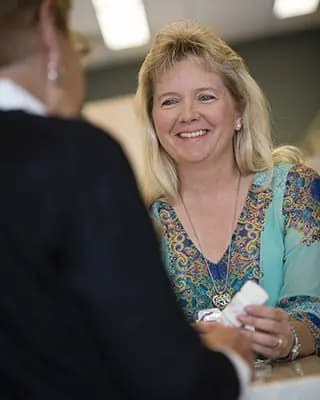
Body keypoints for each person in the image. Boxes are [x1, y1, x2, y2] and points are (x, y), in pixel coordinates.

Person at [0, 2, 254, 399]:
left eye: (204, 96)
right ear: (49, 26)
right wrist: (231, 361)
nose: (188, 114)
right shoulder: (74, 159)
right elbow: (169, 378)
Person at [136, 19, 320, 362]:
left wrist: (290, 336)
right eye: (169, 101)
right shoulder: (143, 223)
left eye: (205, 96)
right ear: (153, 121)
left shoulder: (293, 190)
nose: (188, 115)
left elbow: (314, 311)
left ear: (239, 111)